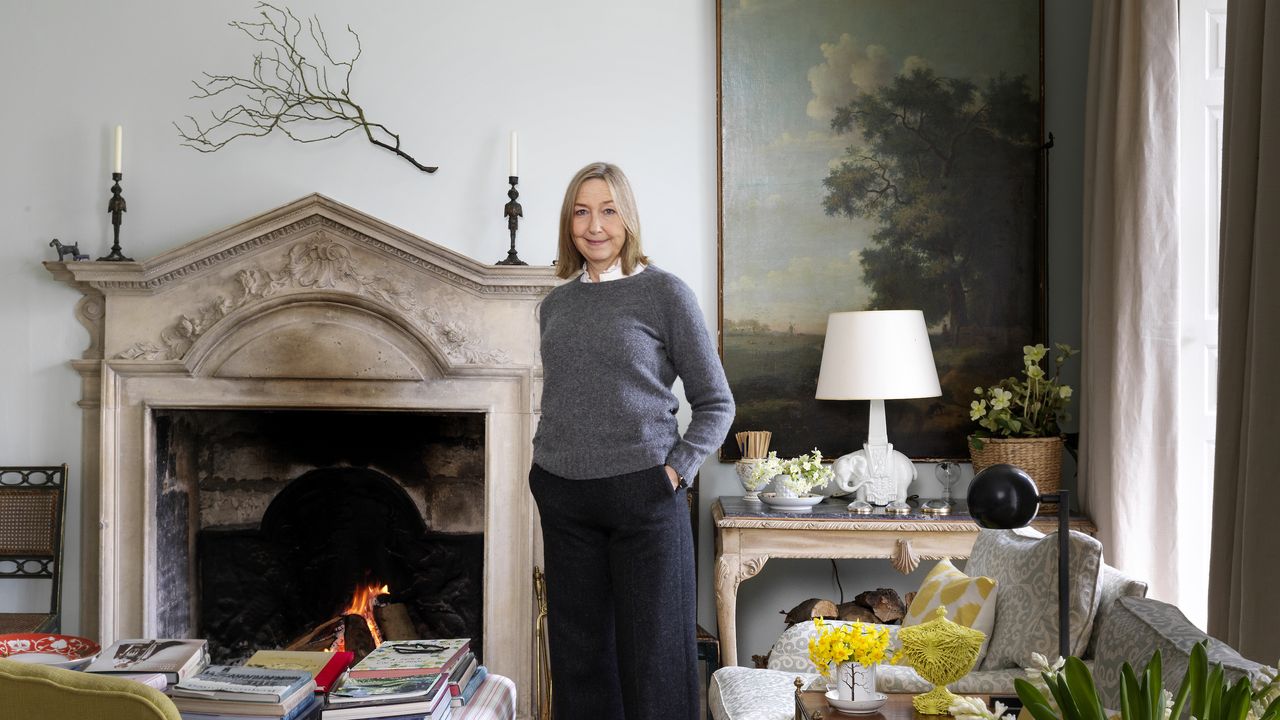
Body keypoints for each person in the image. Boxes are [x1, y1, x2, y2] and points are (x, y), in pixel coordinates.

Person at [529, 162, 735, 720]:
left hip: (645, 499)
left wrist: (674, 471)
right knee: (580, 663)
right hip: (565, 500)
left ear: (628, 218)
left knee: (657, 664)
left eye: (608, 210)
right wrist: (541, 471)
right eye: (581, 211)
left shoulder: (665, 293)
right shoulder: (556, 305)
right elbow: (567, 395)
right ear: (568, 223)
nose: (594, 225)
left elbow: (717, 402)